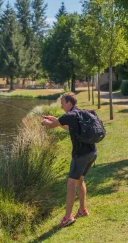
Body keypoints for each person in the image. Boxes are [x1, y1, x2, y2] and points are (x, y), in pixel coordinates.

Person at [41, 92, 97, 228]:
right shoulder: (78, 113)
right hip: (92, 152)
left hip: (81, 155)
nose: (61, 106)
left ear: (69, 103)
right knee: (80, 180)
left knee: (71, 183)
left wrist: (45, 122)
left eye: (62, 103)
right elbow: (66, 125)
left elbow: (51, 126)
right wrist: (54, 118)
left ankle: (67, 218)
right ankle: (82, 210)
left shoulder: (69, 115)